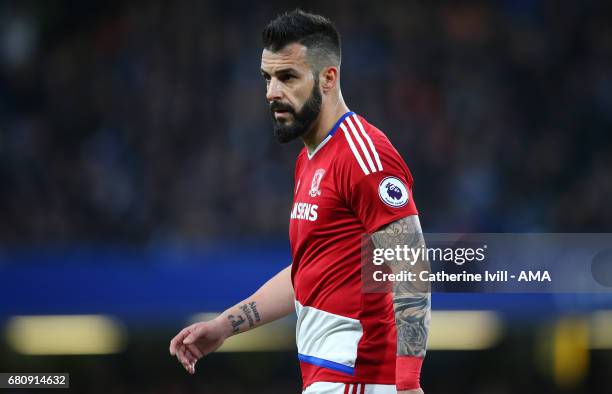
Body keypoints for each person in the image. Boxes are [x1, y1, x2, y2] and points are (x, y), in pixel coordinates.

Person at [169, 9, 430, 394]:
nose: (272, 92)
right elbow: (308, 273)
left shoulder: (363, 154)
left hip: (359, 380)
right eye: (267, 78)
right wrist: (225, 325)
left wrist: (407, 383)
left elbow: (411, 262)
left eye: (287, 77)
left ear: (328, 78)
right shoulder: (309, 159)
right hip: (328, 379)